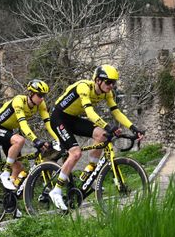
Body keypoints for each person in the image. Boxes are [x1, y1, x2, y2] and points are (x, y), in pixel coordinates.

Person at [48, 65, 145, 211]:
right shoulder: (84, 87)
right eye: (108, 82)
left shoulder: (108, 93)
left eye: (113, 83)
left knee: (102, 136)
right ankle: (56, 190)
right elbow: (90, 113)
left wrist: (134, 128)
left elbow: (117, 112)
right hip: (58, 117)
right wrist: (107, 126)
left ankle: (90, 171)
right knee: (75, 153)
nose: (111, 86)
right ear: (98, 80)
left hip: (73, 118)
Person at [0, 79, 58, 192]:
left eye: (44, 95)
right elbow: (23, 125)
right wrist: (36, 140)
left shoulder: (40, 104)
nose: (42, 98)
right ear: (31, 93)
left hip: (8, 132)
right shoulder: (19, 101)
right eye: (40, 95)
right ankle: (5, 173)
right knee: (19, 140)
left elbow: (48, 124)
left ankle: (10, 202)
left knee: (19, 169)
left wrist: (58, 139)